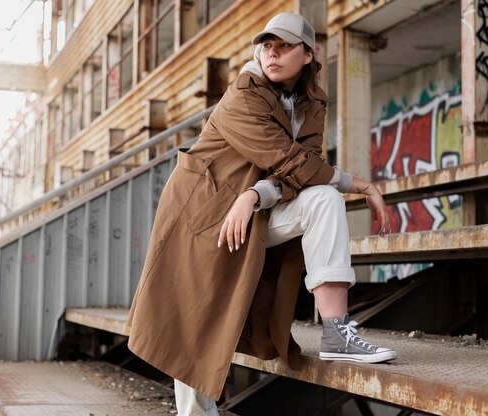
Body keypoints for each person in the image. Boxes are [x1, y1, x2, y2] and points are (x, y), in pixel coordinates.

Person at [127, 12, 397, 416]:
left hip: (251, 208)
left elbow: (302, 170)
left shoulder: (314, 100)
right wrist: (360, 184)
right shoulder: (243, 94)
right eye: (267, 45)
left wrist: (255, 194)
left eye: (284, 46)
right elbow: (285, 158)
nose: (272, 53)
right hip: (201, 211)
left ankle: (337, 332)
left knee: (323, 198)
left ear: (308, 54)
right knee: (190, 317)